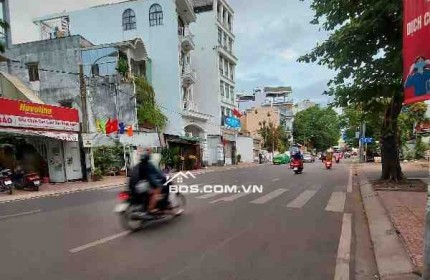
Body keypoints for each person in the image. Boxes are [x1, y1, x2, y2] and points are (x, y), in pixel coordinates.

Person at [128, 148, 170, 215]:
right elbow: (156, 175)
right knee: (157, 190)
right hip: (139, 186)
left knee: (152, 187)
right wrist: (160, 182)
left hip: (133, 186)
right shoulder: (148, 165)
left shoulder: (138, 165)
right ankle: (151, 208)